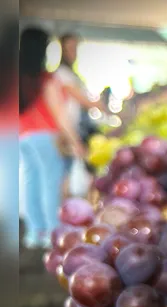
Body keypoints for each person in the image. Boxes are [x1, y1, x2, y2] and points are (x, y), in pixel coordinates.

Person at [20, 27, 87, 248]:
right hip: (46, 136)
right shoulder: (45, 78)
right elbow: (59, 114)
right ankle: (52, 233)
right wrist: (75, 141)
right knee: (51, 183)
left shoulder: (16, 78)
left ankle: (34, 232)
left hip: (22, 136)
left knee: (32, 182)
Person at [56, 33, 104, 145]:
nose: (74, 53)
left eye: (75, 48)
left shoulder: (73, 75)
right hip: (66, 129)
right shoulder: (62, 73)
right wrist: (101, 106)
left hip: (74, 127)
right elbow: (82, 100)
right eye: (70, 48)